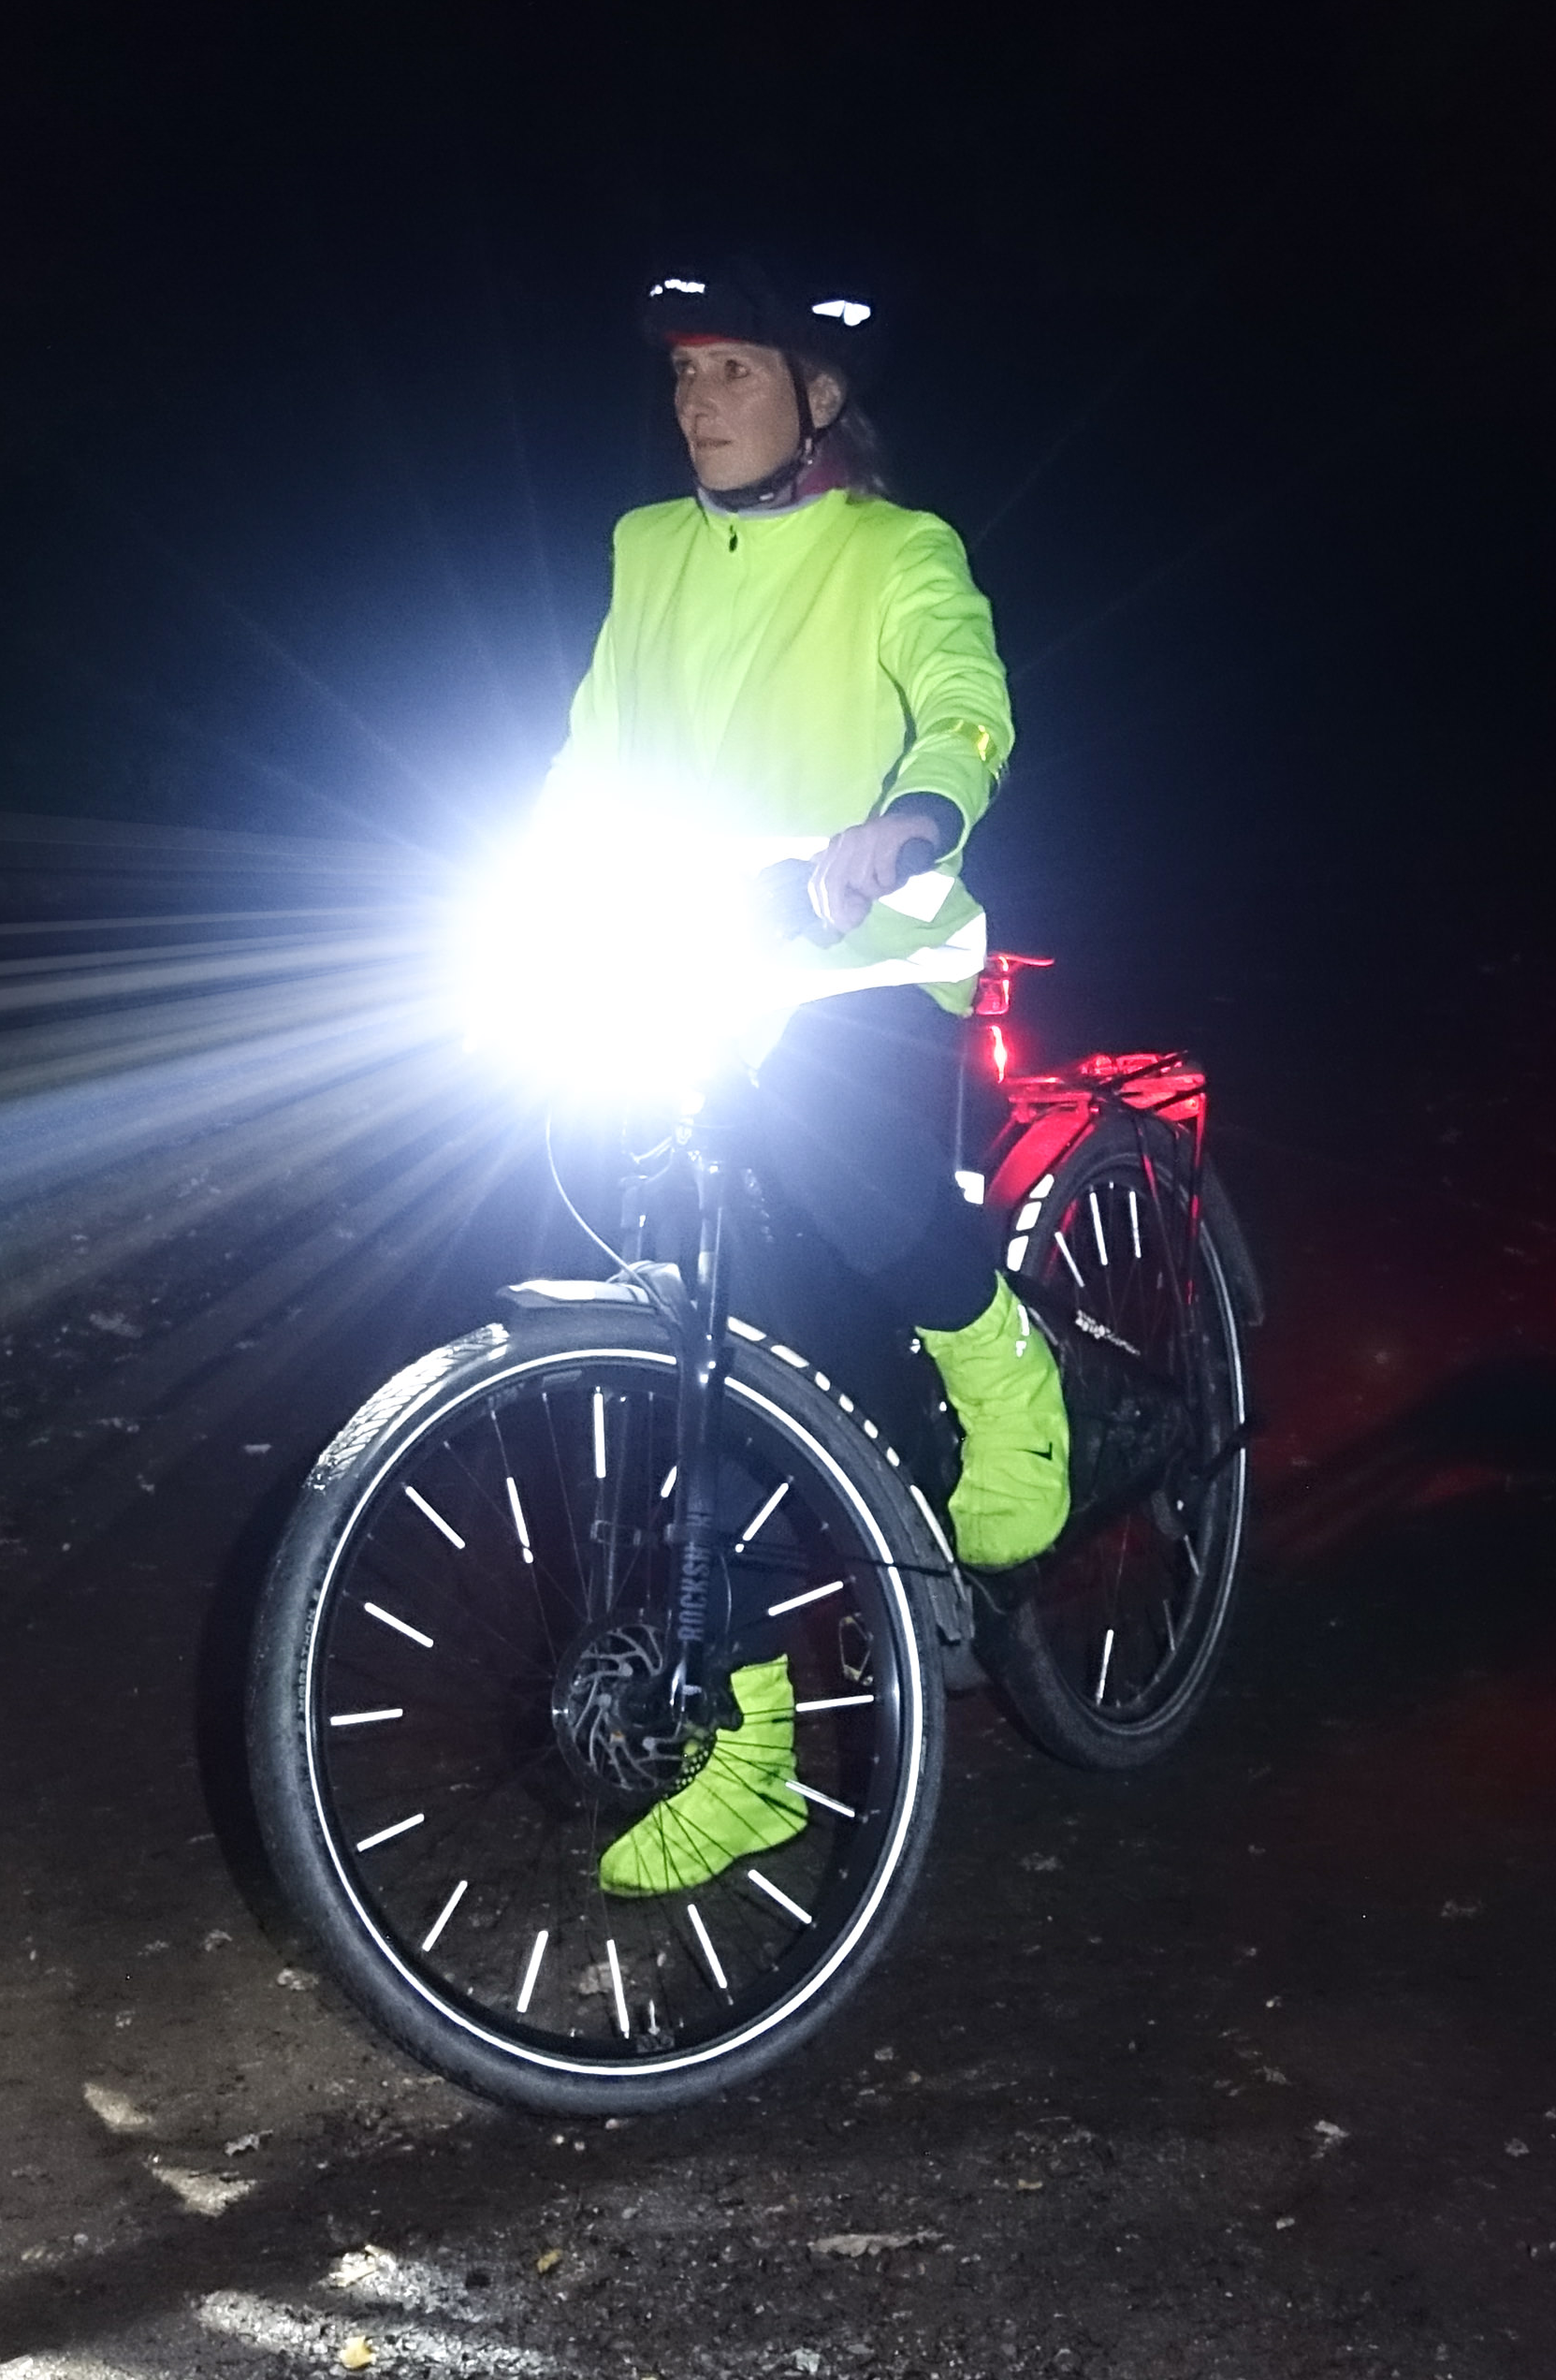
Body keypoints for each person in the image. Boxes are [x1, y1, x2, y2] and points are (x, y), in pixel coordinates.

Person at [535, 260, 1070, 1896]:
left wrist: (909, 823)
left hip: (859, 955)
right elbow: (587, 752)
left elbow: (962, 706)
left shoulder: (899, 550)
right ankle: (747, 1748)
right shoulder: (643, 551)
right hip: (688, 964)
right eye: (685, 374)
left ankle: (1000, 1366)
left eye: (735, 372)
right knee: (681, 1347)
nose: (698, 400)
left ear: (818, 398)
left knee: (820, 1155)